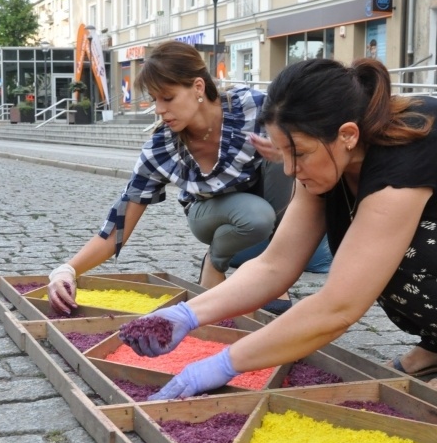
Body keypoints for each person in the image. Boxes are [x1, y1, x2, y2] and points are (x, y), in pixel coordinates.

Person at [121, 57, 437, 402]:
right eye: (281, 152)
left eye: (298, 153)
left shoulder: (403, 159)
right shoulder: (331, 154)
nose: (289, 170)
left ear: (347, 135)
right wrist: (187, 315)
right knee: (376, 249)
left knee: (395, 250)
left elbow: (340, 306)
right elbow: (274, 264)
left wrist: (224, 364)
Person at [47, 40, 307, 316]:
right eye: (154, 99)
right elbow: (118, 225)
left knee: (285, 154)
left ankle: (274, 267)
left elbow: (312, 146)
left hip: (264, 202)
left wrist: (285, 151)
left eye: (167, 98)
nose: (159, 109)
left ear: (198, 87)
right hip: (209, 213)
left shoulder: (252, 107)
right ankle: (214, 262)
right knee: (256, 215)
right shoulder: (162, 148)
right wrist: (67, 270)